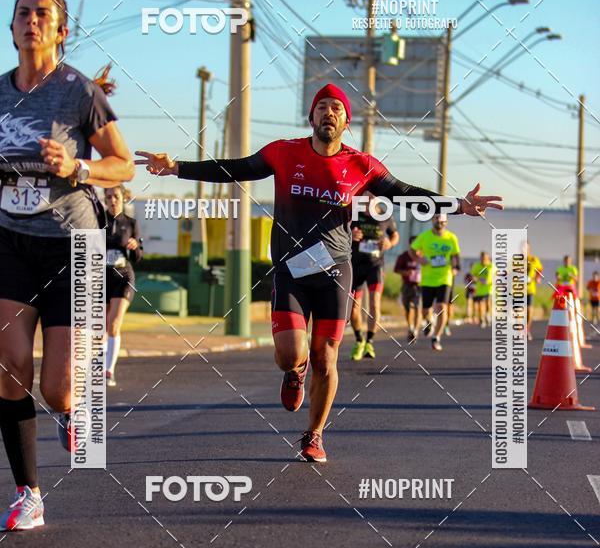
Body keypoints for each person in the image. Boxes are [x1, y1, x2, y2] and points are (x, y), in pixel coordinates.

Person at [137, 83, 502, 462]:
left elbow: (404, 193)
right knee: (289, 354)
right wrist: (177, 167)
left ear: (346, 122)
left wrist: (457, 205)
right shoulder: (283, 152)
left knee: (326, 357)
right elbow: (236, 168)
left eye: (337, 108)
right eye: (322, 106)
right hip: (290, 271)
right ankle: (295, 371)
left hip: (335, 271)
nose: (329, 112)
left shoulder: (362, 165)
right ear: (311, 117)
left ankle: (314, 434)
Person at [0, 0, 134, 531]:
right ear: (11, 28)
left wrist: (76, 167)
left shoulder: (79, 92)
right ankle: (28, 495)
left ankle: (72, 410)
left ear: (61, 30)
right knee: (9, 367)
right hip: (10, 240)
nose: (31, 21)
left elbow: (123, 163)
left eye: (42, 14)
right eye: (22, 13)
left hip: (73, 246)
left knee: (57, 387)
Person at [349, 198, 399, 360]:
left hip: (375, 265)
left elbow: (395, 235)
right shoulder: (354, 213)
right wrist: (350, 235)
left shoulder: (385, 215)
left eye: (373, 195)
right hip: (356, 265)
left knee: (374, 303)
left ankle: (369, 342)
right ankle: (359, 340)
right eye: (367, 195)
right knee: (354, 307)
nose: (370, 198)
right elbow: (340, 231)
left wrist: (390, 243)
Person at [105, 184, 143, 385]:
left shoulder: (130, 223)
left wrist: (135, 246)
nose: (112, 200)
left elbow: (138, 257)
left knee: (113, 324)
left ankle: (109, 371)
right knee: (101, 327)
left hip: (123, 276)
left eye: (116, 196)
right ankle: (98, 368)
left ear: (123, 198)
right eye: (109, 197)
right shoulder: (97, 220)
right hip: (101, 277)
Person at [410, 214, 461, 351]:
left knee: (441, 306)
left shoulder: (451, 237)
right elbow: (412, 250)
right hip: (427, 278)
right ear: (432, 220)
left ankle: (436, 337)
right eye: (436, 218)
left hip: (445, 277)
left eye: (442, 219)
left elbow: (456, 255)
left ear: (446, 222)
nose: (439, 221)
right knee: (425, 310)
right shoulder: (424, 236)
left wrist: (456, 267)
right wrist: (419, 259)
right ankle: (429, 320)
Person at [394, 245, 421, 342]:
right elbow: (396, 269)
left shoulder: (424, 256)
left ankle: (416, 331)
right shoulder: (404, 256)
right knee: (408, 308)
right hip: (407, 285)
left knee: (418, 307)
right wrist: (405, 272)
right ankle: (411, 327)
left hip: (420, 286)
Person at [470, 251, 494, 327]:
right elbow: (472, 275)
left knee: (488, 303)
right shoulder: (477, 266)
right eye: (482, 258)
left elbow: (493, 275)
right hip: (479, 289)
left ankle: (487, 314)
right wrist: (475, 278)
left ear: (488, 258)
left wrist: (488, 281)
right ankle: (482, 319)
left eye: (485, 258)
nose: (483, 260)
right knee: (480, 304)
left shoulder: (491, 266)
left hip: (489, 288)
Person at [526, 243, 543, 341]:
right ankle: (520, 331)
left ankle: (527, 330)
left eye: (526, 248)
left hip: (530, 289)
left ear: (529, 249)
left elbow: (539, 269)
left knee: (529, 311)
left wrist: (538, 277)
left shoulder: (534, 260)